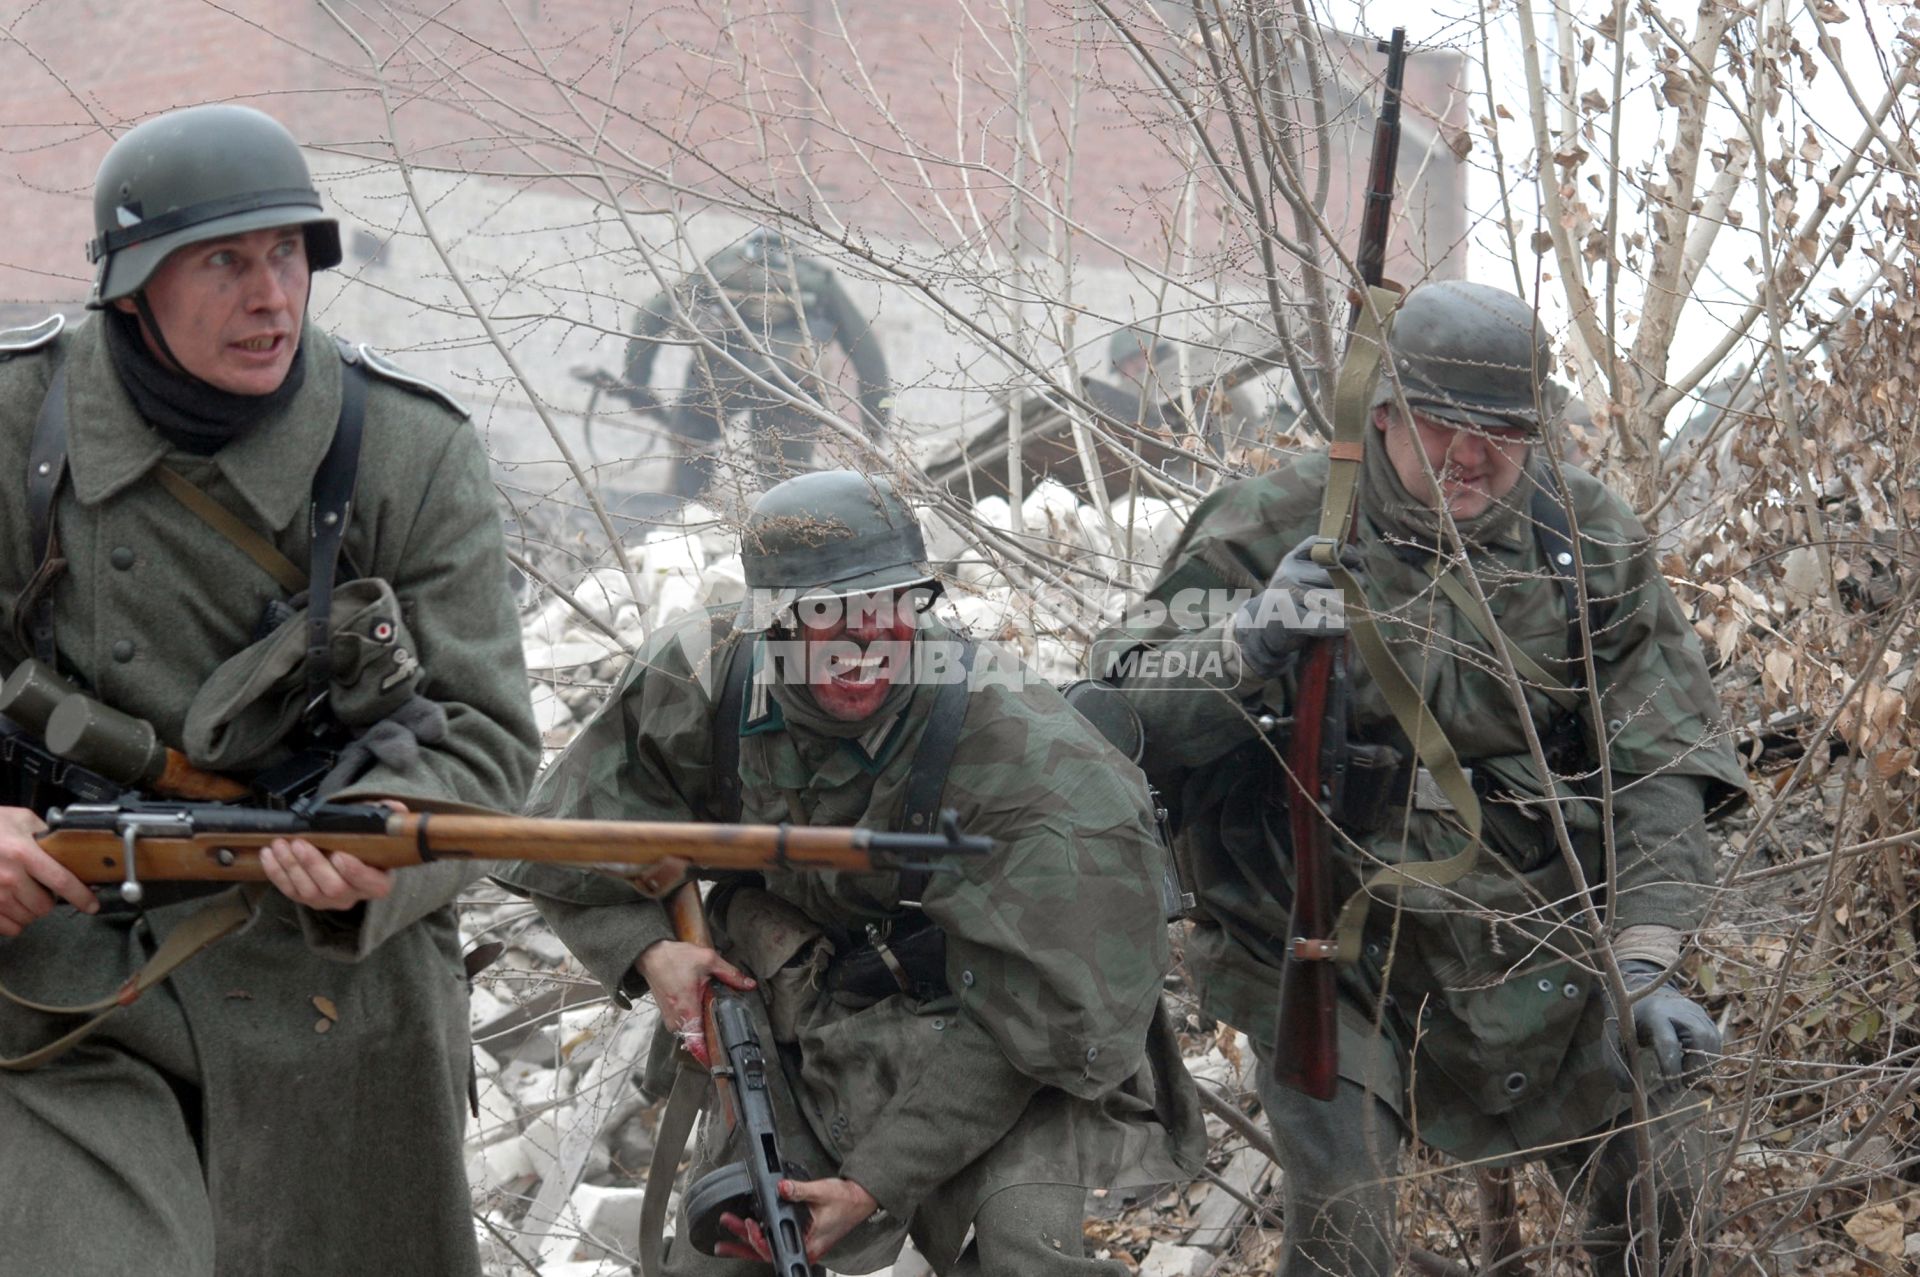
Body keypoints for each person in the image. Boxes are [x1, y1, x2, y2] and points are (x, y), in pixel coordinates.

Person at [1097, 280, 1748, 1276]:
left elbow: (1660, 757)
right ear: (1386, 413)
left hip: (1543, 935)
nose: (1472, 455)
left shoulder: (1588, 541)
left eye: (1506, 430)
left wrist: (1648, 959)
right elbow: (1119, 710)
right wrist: (1246, 641)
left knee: (1673, 1183)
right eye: (1444, 423)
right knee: (1347, 1226)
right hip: (1327, 938)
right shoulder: (1275, 519)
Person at [0, 104, 539, 1276]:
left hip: (322, 981)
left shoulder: (407, 450)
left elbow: (487, 740)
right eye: (225, 261)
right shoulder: (16, 417)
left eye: (288, 254)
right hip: (57, 971)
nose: (271, 296)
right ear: (135, 287)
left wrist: (381, 847)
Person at [500, 469, 1202, 1275]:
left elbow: (1048, 1017)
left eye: (890, 609)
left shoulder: (1022, 748)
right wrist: (648, 951)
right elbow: (566, 837)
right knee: (730, 1255)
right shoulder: (706, 678)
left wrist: (874, 1181)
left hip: (990, 1037)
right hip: (801, 1011)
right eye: (828, 616)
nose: (864, 643)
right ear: (775, 622)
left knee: (1023, 1254)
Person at [591, 228, 892, 501]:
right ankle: (790, 534)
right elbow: (867, 352)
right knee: (787, 482)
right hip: (790, 384)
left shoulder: (720, 267)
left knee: (692, 445)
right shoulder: (816, 281)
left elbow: (653, 313)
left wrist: (637, 379)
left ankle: (687, 517)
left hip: (720, 374)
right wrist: (875, 425)